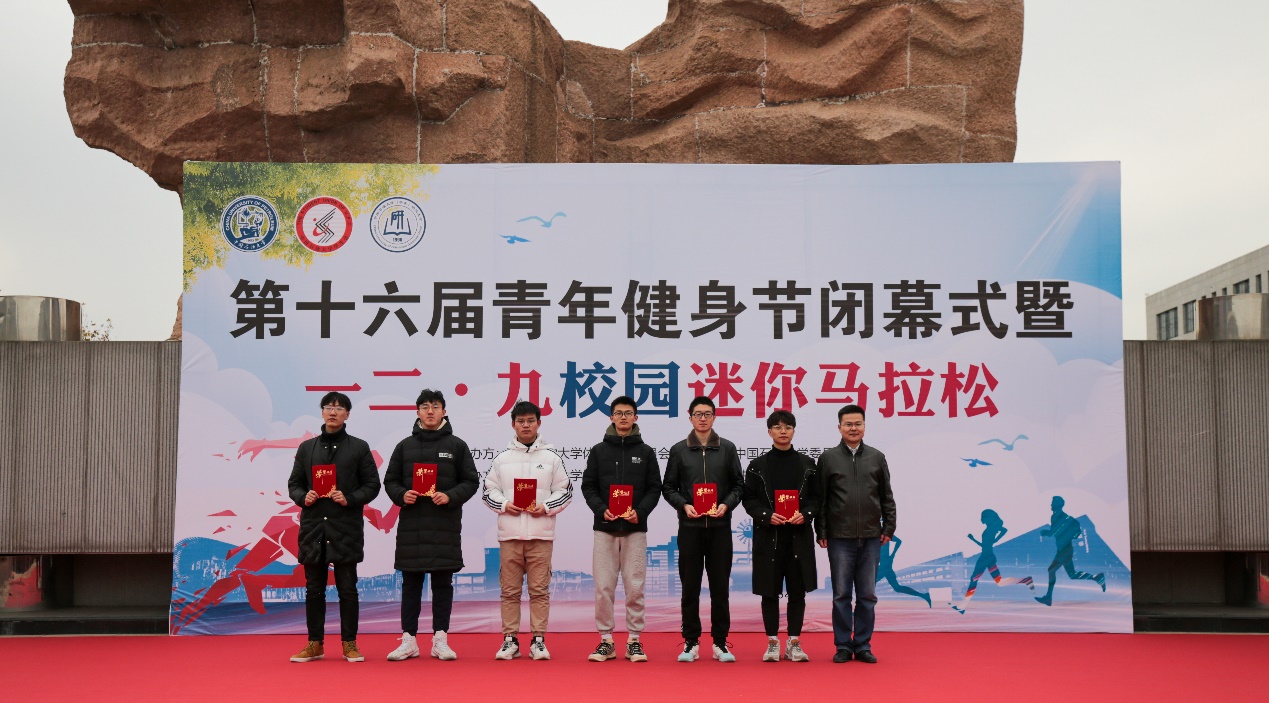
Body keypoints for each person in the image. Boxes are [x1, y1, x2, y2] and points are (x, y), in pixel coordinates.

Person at [383, 389, 480, 662]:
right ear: (417, 412)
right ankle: (409, 641)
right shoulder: (404, 446)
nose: (430, 411)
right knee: (410, 585)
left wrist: (450, 496)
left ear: (443, 411)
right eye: (425, 406)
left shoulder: (457, 446)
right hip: (412, 527)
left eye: (435, 406)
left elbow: (471, 481)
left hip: (444, 526)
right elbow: (390, 481)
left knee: (442, 585)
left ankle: (440, 640)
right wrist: (402, 494)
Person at [287, 392, 381, 663]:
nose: (333, 411)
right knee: (313, 589)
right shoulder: (307, 448)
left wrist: (349, 497)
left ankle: (349, 643)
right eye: (328, 407)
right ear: (322, 412)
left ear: (347, 414)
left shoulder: (359, 447)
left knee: (347, 589)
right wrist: (303, 496)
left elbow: (372, 485)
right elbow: (294, 484)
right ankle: (314, 643)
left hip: (345, 526)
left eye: (339, 408)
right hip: (314, 526)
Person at [482, 400, 573, 661]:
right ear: (513, 425)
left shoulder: (551, 458)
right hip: (510, 535)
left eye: (530, 421)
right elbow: (488, 491)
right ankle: (510, 640)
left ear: (538, 424)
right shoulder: (502, 459)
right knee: (509, 592)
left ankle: (538, 640)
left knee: (539, 591)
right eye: (520, 421)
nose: (525, 425)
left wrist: (545, 507)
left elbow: (565, 491)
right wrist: (504, 505)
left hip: (540, 536)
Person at [661, 395, 744, 663]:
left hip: (720, 528)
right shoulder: (679, 450)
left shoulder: (727, 448)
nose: (703, 418)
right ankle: (691, 642)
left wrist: (726, 505)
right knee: (690, 588)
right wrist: (684, 505)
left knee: (720, 588)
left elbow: (738, 485)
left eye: (707, 414)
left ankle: (720, 642)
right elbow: (668, 487)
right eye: (698, 414)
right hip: (690, 528)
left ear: (714, 417)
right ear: (690, 418)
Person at [580, 396, 662, 663]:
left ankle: (634, 641)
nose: (623, 417)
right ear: (611, 417)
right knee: (604, 586)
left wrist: (640, 512)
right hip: (604, 528)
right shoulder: (598, 451)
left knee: (635, 586)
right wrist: (600, 508)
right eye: (618, 413)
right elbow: (588, 486)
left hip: (634, 529)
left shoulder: (646, 452)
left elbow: (655, 488)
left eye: (628, 413)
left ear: (636, 417)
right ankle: (606, 640)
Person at [814, 404, 895, 664]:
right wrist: (821, 530)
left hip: (871, 536)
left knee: (867, 595)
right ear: (839, 427)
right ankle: (842, 645)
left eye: (858, 423)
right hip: (840, 536)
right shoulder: (828, 458)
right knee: (841, 595)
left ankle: (862, 645)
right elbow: (821, 499)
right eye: (848, 424)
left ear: (864, 426)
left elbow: (886, 496)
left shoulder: (876, 457)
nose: (853, 428)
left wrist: (889, 527)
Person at [741, 410, 820, 663]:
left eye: (787, 426)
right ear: (769, 432)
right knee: (769, 592)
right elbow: (748, 499)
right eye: (777, 427)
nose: (783, 431)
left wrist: (806, 514)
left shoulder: (808, 464)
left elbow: (817, 498)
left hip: (798, 537)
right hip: (769, 537)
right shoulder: (757, 466)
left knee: (798, 592)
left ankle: (794, 642)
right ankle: (773, 642)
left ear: (794, 430)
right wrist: (766, 515)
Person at [953, 510, 1033, 613]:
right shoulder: (990, 529)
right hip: (988, 556)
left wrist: (976, 539)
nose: (982, 519)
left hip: (986, 557)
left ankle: (963, 606)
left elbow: (1000, 533)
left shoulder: (991, 529)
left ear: (989, 518)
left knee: (974, 579)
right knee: (999, 582)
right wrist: (991, 540)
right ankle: (1026, 580)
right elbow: (998, 535)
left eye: (984, 517)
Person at [1035, 496, 1106, 606]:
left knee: (1052, 570)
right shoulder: (1057, 517)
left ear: (1058, 505)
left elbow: (1055, 532)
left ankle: (1048, 598)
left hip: (1065, 550)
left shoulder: (1060, 517)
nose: (1051, 505)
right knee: (1071, 574)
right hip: (1063, 549)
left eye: (1053, 503)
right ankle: (1096, 577)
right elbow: (1062, 532)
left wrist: (1045, 532)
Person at [877, 537, 932, 607]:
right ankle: (924, 595)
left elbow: (899, 541)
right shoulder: (875, 535)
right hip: (884, 566)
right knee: (897, 588)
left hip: (885, 565)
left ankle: (924, 595)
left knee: (871, 584)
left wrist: (893, 554)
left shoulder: (884, 534)